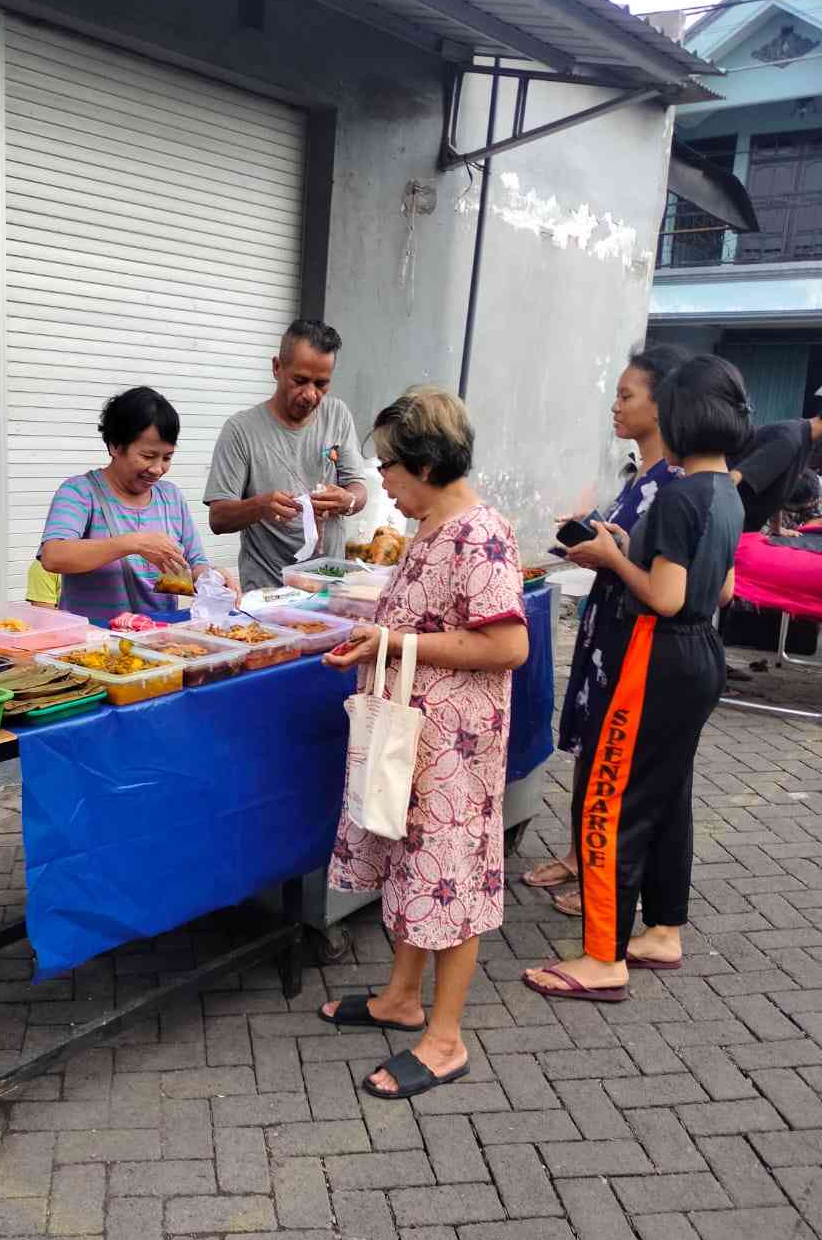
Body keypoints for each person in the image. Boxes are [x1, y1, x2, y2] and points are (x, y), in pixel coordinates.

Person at [319, 386, 528, 1099]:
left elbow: (507, 642)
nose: (381, 479)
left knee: (449, 879)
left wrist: (396, 639)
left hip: (455, 747)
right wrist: (376, 642)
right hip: (418, 739)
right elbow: (426, 622)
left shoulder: (480, 532)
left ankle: (444, 1038)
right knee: (413, 865)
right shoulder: (433, 526)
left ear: (429, 464)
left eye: (390, 466)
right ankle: (402, 999)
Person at [523, 355, 748, 1004]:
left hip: (659, 653)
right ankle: (664, 929)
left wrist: (613, 558)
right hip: (703, 653)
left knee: (609, 801)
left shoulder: (679, 493)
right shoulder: (726, 491)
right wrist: (631, 544)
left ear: (679, 417)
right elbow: (722, 587)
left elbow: (666, 595)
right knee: (668, 794)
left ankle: (603, 954)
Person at [524, 343, 688, 924]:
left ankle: (605, 878)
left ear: (663, 405)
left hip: (635, 637)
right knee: (588, 748)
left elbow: (666, 582)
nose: (614, 406)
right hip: (605, 628)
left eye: (626, 396)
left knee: (612, 760)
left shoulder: (677, 484)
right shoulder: (639, 474)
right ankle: (578, 855)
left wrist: (609, 554)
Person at [39, 387, 236, 621]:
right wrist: (134, 543)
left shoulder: (171, 498)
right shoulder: (80, 492)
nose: (157, 469)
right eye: (147, 456)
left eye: (167, 457)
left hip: (161, 640)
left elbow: (195, 565)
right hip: (95, 644)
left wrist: (212, 579)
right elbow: (53, 556)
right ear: (115, 446)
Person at [204, 320, 368, 591]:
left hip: (330, 588)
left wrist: (347, 500)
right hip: (268, 593)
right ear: (277, 367)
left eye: (322, 384)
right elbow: (218, 518)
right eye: (300, 380)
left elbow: (358, 490)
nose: (311, 394)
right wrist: (260, 507)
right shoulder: (241, 430)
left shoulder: (337, 415)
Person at [730, 395, 822, 534]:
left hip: (745, 530)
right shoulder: (789, 440)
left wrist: (776, 528)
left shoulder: (806, 441)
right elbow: (731, 479)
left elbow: (777, 487)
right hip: (731, 527)